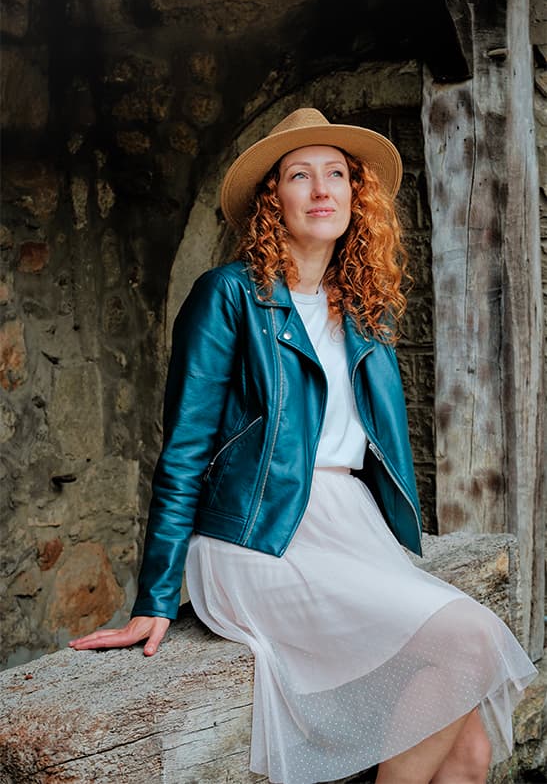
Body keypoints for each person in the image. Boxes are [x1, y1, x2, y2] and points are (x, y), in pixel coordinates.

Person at [70, 108, 537, 784]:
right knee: (469, 639)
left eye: (335, 175)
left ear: (356, 196)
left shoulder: (367, 308)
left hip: (352, 532)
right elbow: (184, 449)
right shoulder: (228, 295)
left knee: (469, 750)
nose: (320, 189)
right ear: (272, 198)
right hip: (261, 535)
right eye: (299, 175)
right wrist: (154, 596)